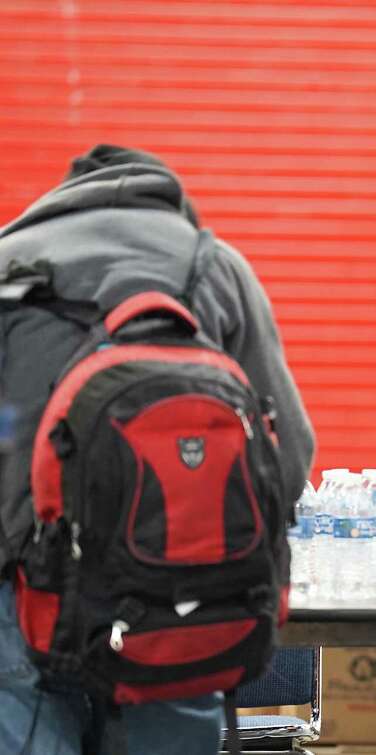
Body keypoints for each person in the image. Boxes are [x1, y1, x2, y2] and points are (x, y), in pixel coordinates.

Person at [0, 144, 316, 755]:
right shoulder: (212, 267)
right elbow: (290, 458)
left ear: (61, 201)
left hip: (21, 603)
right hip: (177, 601)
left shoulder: (9, 266)